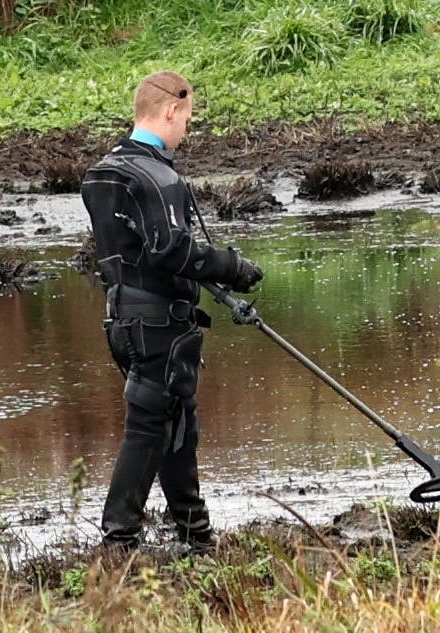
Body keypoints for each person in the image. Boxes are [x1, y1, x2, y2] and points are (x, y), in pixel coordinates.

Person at [80, 71, 264, 551]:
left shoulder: (102, 172)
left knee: (175, 420)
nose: (187, 129)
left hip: (121, 318)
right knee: (149, 427)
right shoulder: (158, 177)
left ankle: (195, 534)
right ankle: (118, 541)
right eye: (188, 118)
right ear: (170, 111)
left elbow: (137, 250)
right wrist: (232, 266)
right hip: (157, 324)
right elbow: (171, 251)